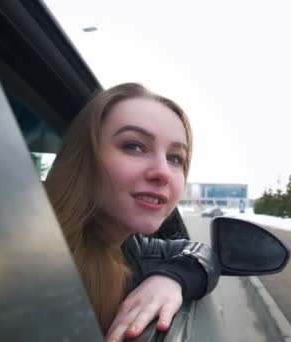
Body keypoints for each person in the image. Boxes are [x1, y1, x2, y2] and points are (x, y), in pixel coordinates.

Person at [44, 83, 220, 341]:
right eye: (134, 146)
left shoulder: (132, 249)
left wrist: (171, 279)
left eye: (175, 158)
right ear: (85, 159)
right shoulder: (33, 267)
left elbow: (202, 254)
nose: (163, 172)